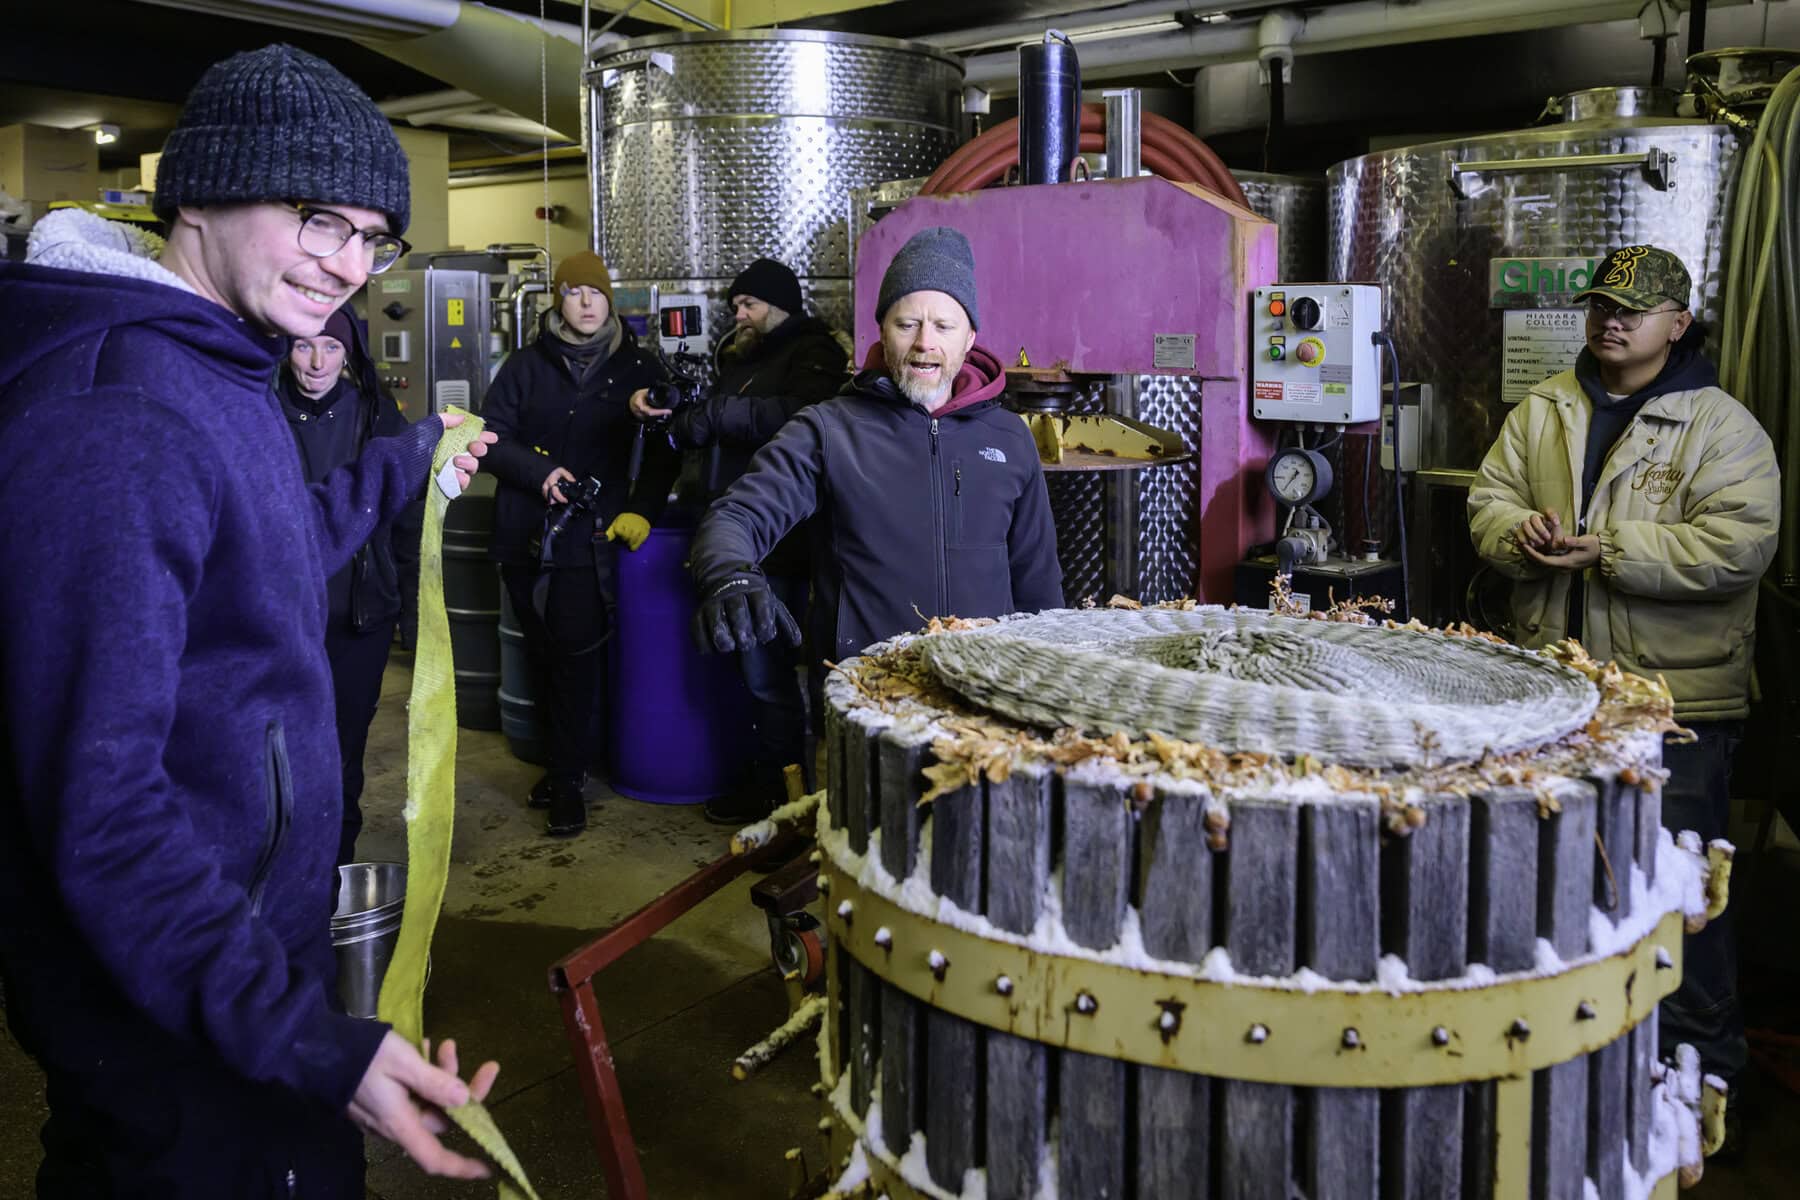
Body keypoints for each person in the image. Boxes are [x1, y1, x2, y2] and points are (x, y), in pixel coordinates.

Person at [0, 44, 502, 1196]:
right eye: (320, 220)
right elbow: (100, 809)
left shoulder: (219, 364)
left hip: (231, 951)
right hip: (169, 982)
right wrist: (306, 1037)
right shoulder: (120, 412)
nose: (348, 267)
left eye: (374, 238)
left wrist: (400, 467)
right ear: (206, 191)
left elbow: (259, 569)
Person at [1468, 244, 1780, 1095]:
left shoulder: (1722, 426)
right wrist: (1517, 537)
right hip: (1557, 696)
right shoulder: (1544, 409)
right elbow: (1488, 500)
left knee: (1678, 896)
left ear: (1677, 326)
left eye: (1634, 309)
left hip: (1672, 706)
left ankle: (1700, 1079)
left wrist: (1609, 551)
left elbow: (1739, 545)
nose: (1613, 319)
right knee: (1562, 876)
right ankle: (1588, 1069)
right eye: (1603, 302)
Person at [689, 225, 1064, 673]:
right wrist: (729, 573)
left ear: (968, 340)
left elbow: (1037, 581)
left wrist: (1046, 668)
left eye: (944, 326)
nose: (925, 342)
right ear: (883, 333)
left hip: (984, 687)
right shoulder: (830, 430)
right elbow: (738, 516)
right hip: (867, 689)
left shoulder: (1008, 438)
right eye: (907, 324)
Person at [631, 257, 848, 824]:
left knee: (782, 682)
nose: (739, 315)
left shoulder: (814, 353)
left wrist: (722, 415)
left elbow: (807, 415)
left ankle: (796, 797)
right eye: (736, 307)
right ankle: (775, 788)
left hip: (792, 547)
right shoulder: (743, 359)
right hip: (746, 546)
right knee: (757, 678)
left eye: (748, 304)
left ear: (778, 305)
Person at [481, 249, 678, 837]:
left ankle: (568, 781)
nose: (586, 302)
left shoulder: (639, 368)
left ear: (610, 300)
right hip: (524, 532)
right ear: (558, 300)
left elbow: (670, 451)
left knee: (576, 657)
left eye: (595, 292)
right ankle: (562, 763)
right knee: (539, 654)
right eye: (573, 292)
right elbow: (488, 438)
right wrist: (536, 472)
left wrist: (641, 509)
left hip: (588, 540)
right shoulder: (524, 366)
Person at [280, 304, 421, 867]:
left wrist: (411, 607)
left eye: (331, 348)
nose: (317, 362)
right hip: (279, 619)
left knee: (341, 753)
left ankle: (333, 872)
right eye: (302, 345)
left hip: (356, 619)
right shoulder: (259, 413)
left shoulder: (375, 415)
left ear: (351, 355)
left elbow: (408, 514)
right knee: (276, 753)